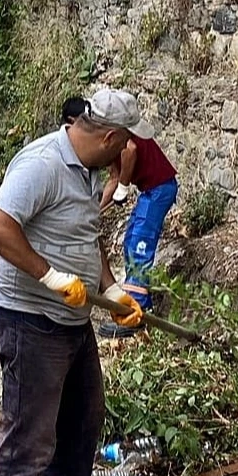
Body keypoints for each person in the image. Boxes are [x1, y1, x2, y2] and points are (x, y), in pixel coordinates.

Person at [0, 88, 150, 476]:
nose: (127, 153)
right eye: (127, 144)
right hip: (30, 318)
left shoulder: (88, 171)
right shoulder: (42, 163)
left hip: (72, 323)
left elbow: (85, 234)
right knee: (30, 431)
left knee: (83, 419)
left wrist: (111, 288)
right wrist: (49, 275)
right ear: (113, 137)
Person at [95, 133, 178, 338]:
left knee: (140, 244)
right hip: (150, 191)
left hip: (160, 188)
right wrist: (94, 212)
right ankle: (142, 304)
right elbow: (114, 178)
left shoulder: (117, 134)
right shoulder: (109, 144)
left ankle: (134, 315)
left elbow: (130, 149)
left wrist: (124, 187)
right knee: (131, 239)